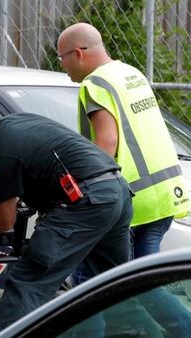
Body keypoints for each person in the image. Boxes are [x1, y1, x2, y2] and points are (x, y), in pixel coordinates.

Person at [0, 94, 133, 335]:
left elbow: (3, 221)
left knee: (28, 281)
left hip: (87, 202)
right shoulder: (19, 121)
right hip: (117, 191)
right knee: (117, 284)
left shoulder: (0, 151)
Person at [57, 22, 190, 265]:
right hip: (164, 194)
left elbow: (107, 141)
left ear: (78, 53)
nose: (61, 65)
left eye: (61, 57)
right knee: (143, 283)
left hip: (131, 201)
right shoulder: (131, 73)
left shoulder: (95, 84)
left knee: (111, 286)